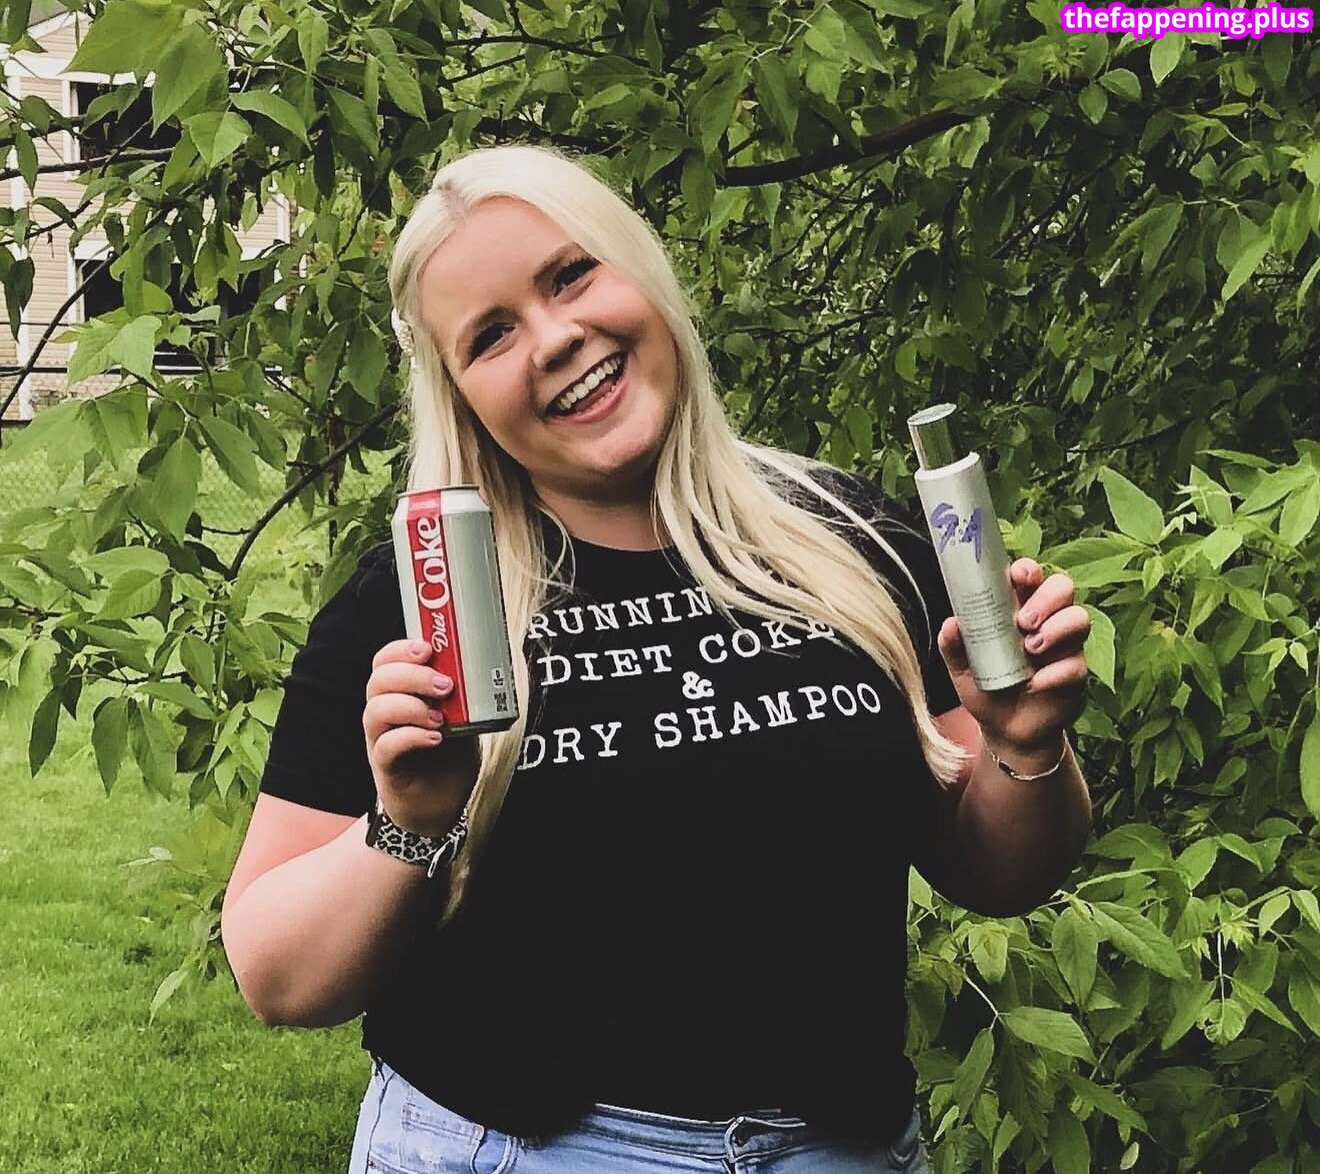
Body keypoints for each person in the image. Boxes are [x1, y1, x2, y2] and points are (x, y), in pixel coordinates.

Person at [220, 145, 1093, 1174]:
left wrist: (1025, 747)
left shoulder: (850, 543)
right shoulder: (423, 606)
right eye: (491, 334)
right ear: (461, 395)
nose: (555, 337)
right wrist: (408, 825)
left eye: (570, 275)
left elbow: (998, 871)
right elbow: (278, 977)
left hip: (838, 1148)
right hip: (521, 1152)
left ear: (644, 273)